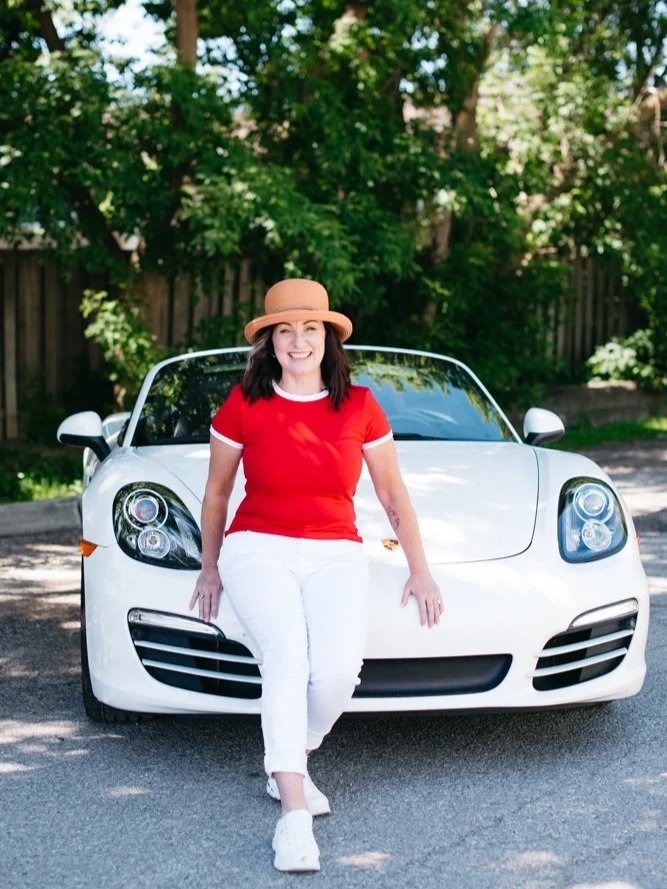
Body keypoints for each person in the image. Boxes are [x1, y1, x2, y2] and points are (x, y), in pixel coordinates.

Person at [189, 278, 442, 873]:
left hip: (336, 550)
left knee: (336, 671)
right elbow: (218, 493)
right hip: (257, 547)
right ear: (269, 343)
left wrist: (421, 570)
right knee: (287, 661)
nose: (298, 341)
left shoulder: (359, 405)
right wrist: (209, 566)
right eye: (285, 330)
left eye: (310, 329)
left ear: (327, 340)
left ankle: (291, 757)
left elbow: (392, 494)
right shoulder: (243, 403)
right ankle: (295, 818)